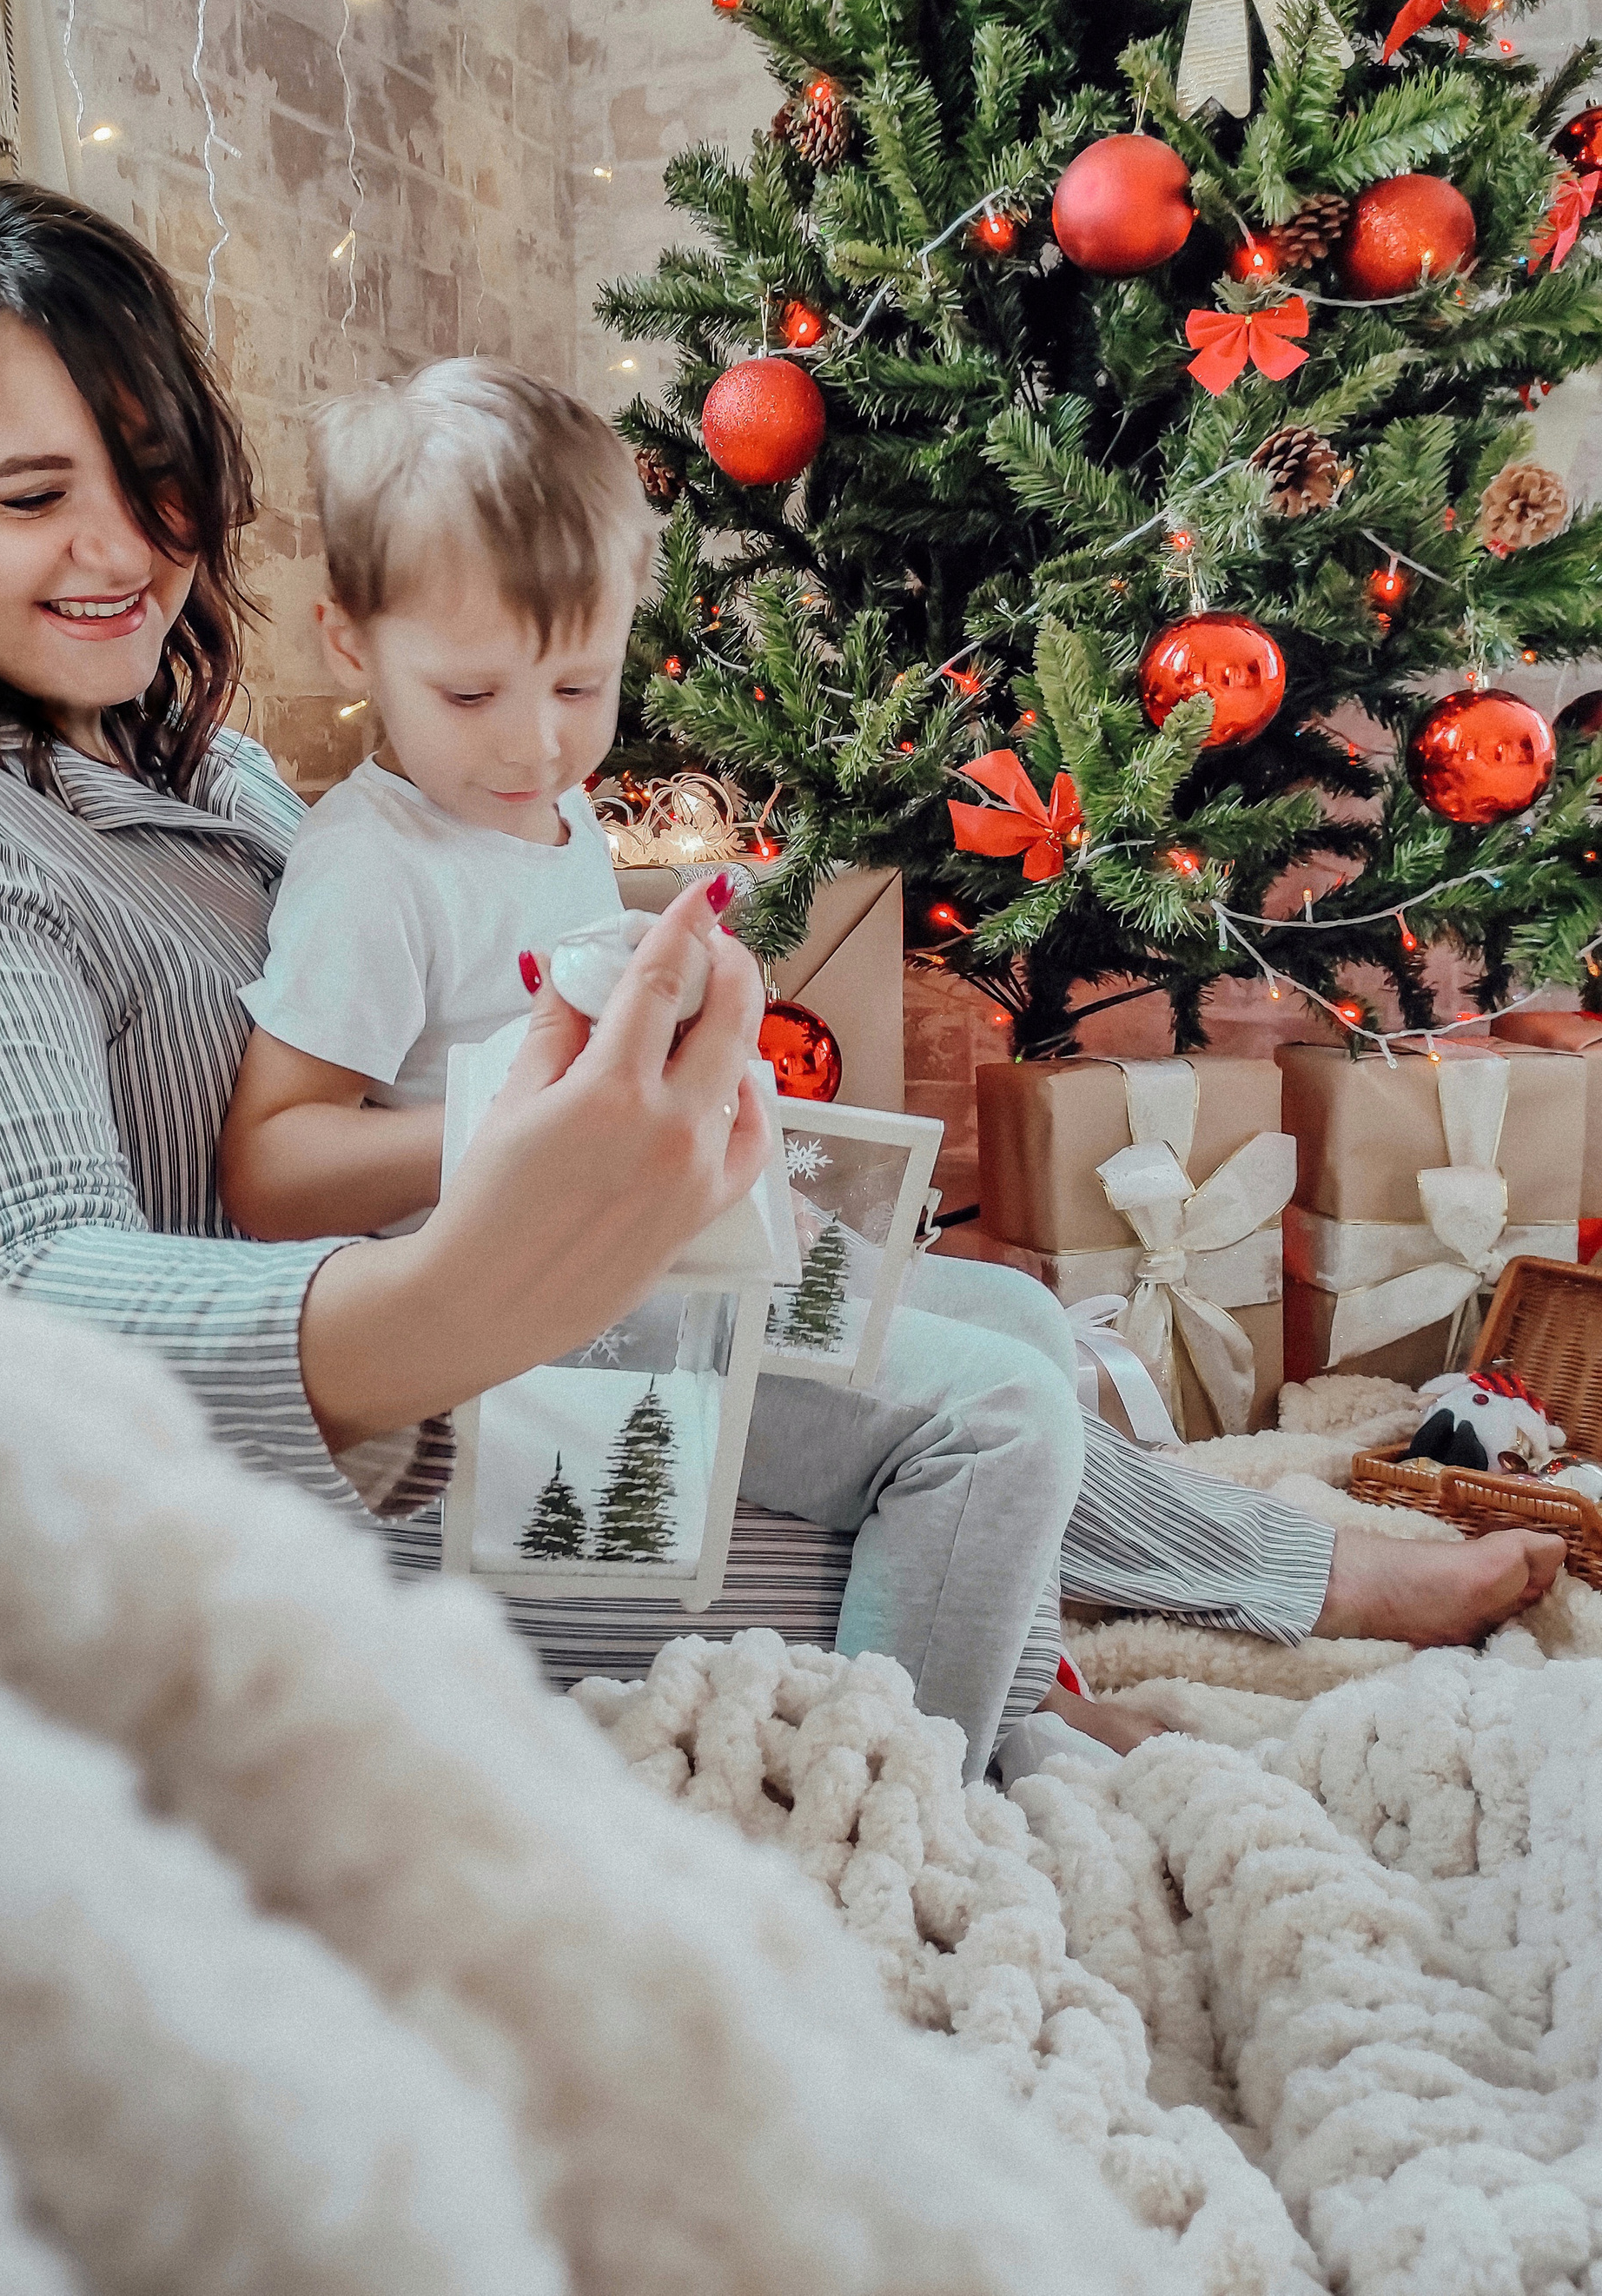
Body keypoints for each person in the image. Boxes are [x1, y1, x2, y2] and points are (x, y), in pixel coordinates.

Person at [0, 185, 1565, 1773]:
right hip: (283, 1496)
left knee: (986, 1322)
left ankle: (1226, 1583)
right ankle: (996, 1730)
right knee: (952, 1465)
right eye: (27, 497)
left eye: (154, 477)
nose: (122, 551)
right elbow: (15, 1324)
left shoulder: (190, 766)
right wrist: (488, 1249)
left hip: (459, 1352)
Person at [220, 354, 1096, 1779]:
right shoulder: (372, 872)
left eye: (582, 682)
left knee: (1026, 1320)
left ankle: (1004, 1710)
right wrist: (525, 1125)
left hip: (641, 1246)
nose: (538, 741)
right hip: (519, 1319)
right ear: (349, 645)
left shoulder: (553, 813)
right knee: (1000, 1419)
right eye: (471, 691)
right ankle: (885, 1790)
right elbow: (269, 1170)